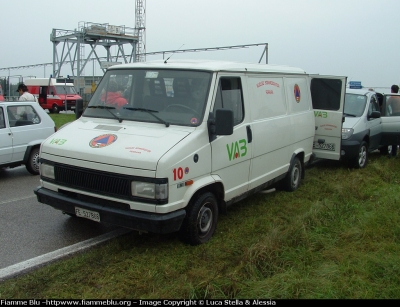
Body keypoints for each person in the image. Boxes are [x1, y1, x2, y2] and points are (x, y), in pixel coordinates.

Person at [387, 84, 400, 156]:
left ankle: (394, 153)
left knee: (394, 135)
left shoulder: (392, 97)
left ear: (392, 90)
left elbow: (385, 105)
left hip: (395, 115)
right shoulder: (399, 97)